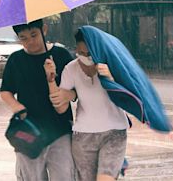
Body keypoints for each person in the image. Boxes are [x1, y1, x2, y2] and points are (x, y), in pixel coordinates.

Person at [44, 29, 129, 181]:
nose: (86, 57)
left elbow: (129, 96)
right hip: (84, 137)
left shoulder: (113, 64)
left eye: (89, 53)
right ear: (76, 49)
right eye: (81, 52)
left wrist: (111, 77)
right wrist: (51, 79)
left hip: (115, 132)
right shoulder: (71, 69)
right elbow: (61, 107)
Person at [0, 19, 75, 181]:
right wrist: (18, 108)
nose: (30, 42)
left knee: (65, 176)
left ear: (44, 30)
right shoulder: (16, 60)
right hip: (28, 132)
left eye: (34, 35)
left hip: (59, 130)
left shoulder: (61, 55)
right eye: (24, 38)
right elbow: (5, 91)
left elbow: (77, 89)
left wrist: (68, 95)